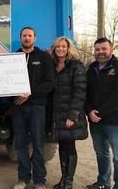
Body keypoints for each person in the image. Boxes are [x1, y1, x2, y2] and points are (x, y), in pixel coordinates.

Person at [11, 26, 55, 189]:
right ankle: (23, 179)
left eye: (30, 36)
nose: (27, 38)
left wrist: (28, 94)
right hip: (17, 108)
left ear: (34, 38)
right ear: (20, 38)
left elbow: (50, 82)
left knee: (37, 144)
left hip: (37, 107)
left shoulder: (44, 57)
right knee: (20, 144)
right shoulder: (13, 58)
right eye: (24, 36)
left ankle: (39, 181)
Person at [49, 37, 88, 189]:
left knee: (69, 146)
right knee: (62, 145)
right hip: (57, 113)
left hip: (70, 114)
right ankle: (63, 180)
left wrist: (73, 115)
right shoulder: (53, 66)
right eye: (58, 47)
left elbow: (80, 92)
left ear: (68, 48)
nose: (60, 49)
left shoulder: (76, 66)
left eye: (63, 47)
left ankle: (69, 183)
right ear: (54, 49)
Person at [85, 37, 118, 189]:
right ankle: (103, 182)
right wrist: (90, 111)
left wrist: (100, 113)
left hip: (114, 121)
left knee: (117, 156)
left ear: (111, 49)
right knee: (101, 153)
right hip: (95, 121)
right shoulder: (91, 69)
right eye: (97, 49)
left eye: (104, 49)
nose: (100, 52)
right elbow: (85, 94)